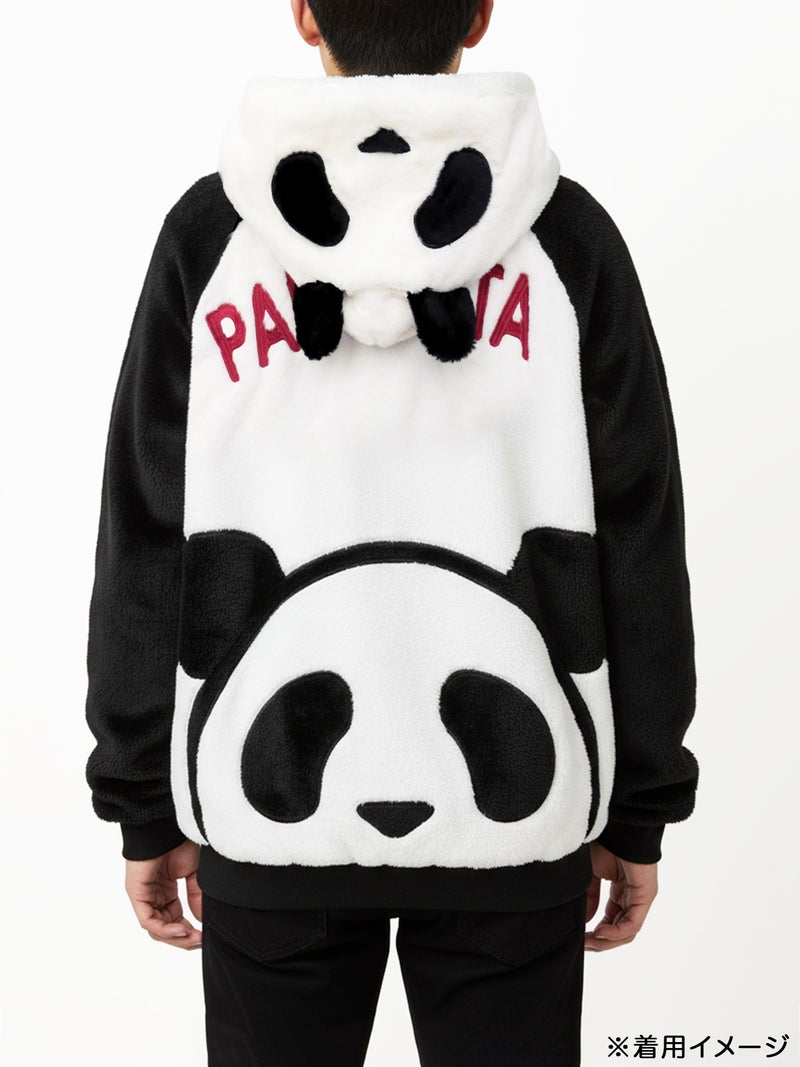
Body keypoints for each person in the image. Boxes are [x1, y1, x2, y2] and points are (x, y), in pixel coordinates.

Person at [83, 1, 700, 1063]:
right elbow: (636, 531)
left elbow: (146, 528)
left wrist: (141, 791)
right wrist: (639, 797)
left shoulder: (213, 235)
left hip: (269, 802)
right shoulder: (566, 238)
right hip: (518, 805)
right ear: (480, 12)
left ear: (302, 13)